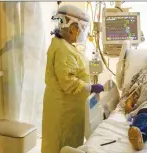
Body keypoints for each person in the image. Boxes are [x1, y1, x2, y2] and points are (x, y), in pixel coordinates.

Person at [42, 5, 104, 153]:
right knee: (61, 144)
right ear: (71, 28)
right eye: (82, 28)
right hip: (64, 111)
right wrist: (90, 88)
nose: (82, 32)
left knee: (70, 143)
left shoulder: (66, 45)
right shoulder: (63, 50)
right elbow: (68, 82)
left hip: (70, 108)